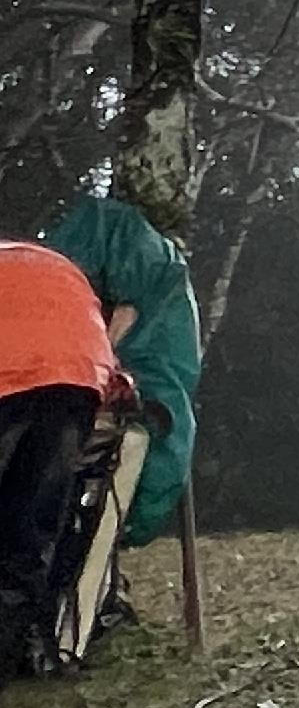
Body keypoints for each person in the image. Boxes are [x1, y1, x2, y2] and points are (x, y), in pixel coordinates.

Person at [43, 195, 199, 614]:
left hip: (126, 412)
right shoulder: (140, 267)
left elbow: (109, 346)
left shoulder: (138, 273)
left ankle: (74, 609)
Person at [0, 235, 116, 679]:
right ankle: (21, 652)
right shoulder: (55, 267)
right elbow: (105, 359)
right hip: (75, 380)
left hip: (14, 376)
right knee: (31, 523)